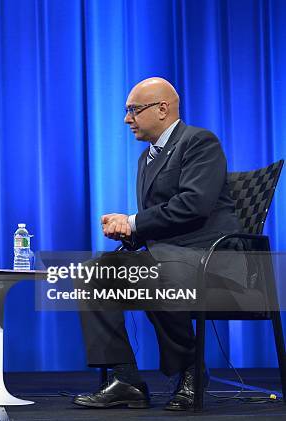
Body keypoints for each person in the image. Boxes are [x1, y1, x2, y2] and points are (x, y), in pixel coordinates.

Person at [73, 77, 243, 411]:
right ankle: (126, 380)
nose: (126, 119)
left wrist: (134, 221)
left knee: (157, 272)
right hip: (168, 255)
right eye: (126, 111)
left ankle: (191, 370)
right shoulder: (146, 158)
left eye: (133, 109)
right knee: (94, 273)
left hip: (210, 257)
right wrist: (129, 232)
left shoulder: (199, 142)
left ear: (162, 109)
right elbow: (160, 220)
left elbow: (194, 205)